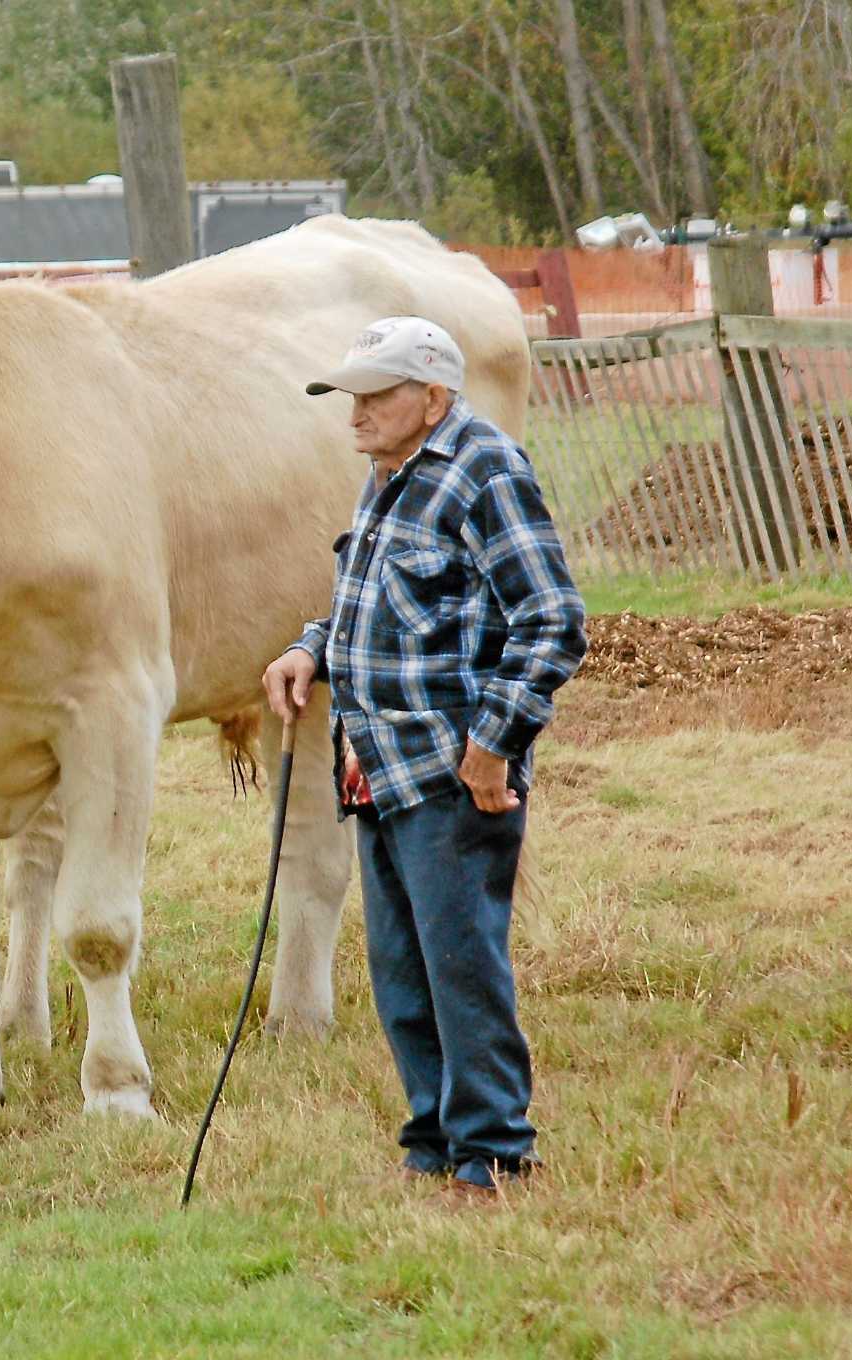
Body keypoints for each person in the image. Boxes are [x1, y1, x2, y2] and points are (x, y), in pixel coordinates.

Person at [261, 316, 586, 1195]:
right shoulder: (388, 475)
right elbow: (372, 598)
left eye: (376, 394)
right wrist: (310, 648)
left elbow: (553, 620)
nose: (355, 411)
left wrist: (492, 748)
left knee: (460, 963)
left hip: (448, 770)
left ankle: (493, 1152)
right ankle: (433, 1141)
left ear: (434, 396)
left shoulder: (484, 472)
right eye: (350, 395)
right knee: (403, 970)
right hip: (375, 763)